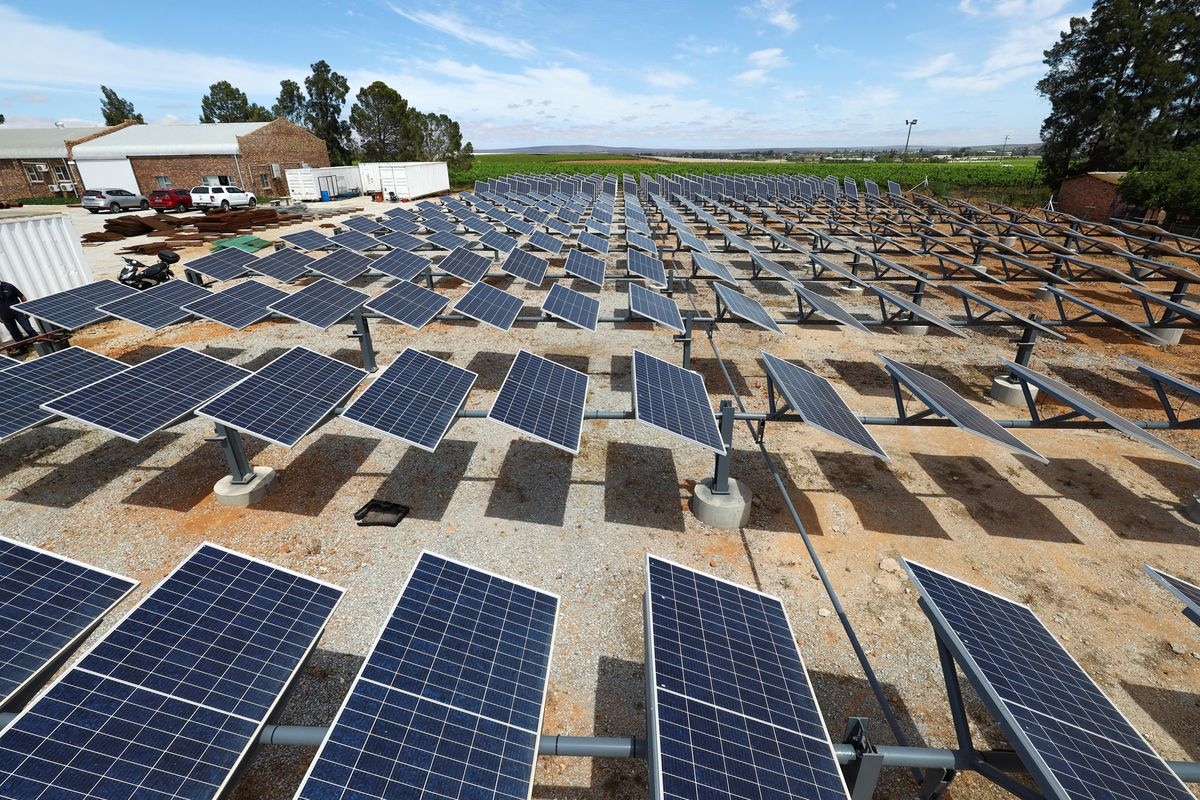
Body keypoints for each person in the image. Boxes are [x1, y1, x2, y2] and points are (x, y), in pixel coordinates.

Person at [0, 279, 37, 354]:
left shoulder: (9, 286)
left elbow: (22, 297)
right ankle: (23, 350)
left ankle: (41, 342)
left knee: (29, 329)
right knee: (15, 334)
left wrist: (26, 309)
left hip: (18, 313)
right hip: (6, 317)